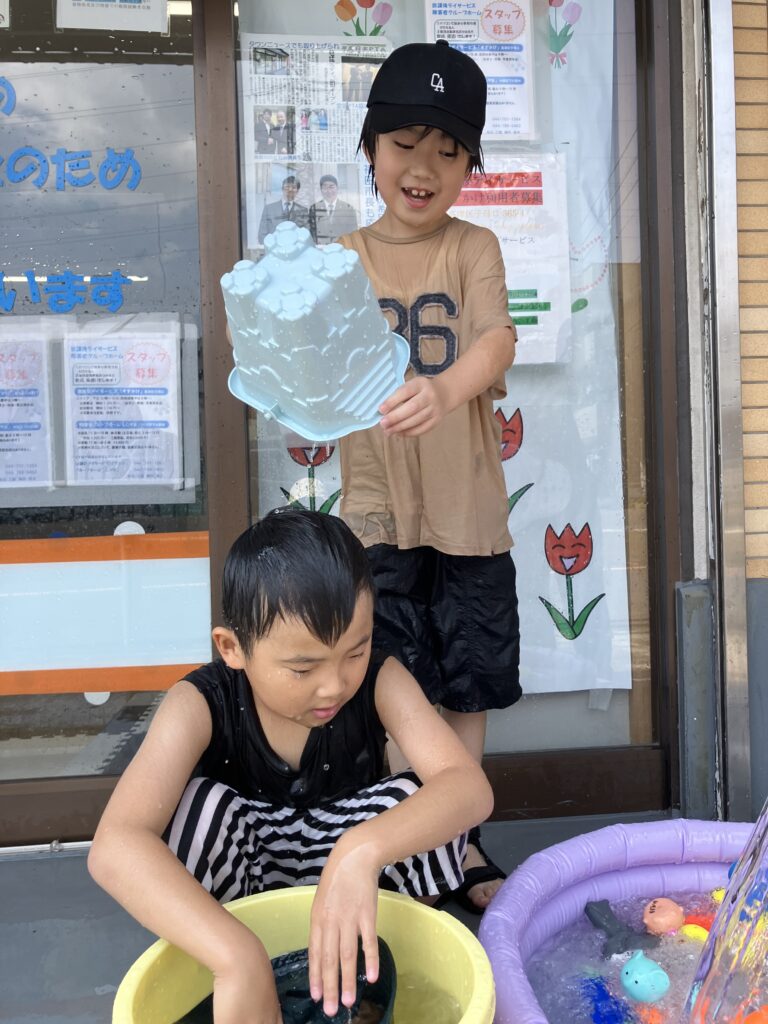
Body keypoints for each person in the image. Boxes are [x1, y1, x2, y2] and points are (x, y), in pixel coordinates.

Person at [89, 509, 492, 1023]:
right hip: (246, 896)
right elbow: (115, 845)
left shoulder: (381, 678)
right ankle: (235, 953)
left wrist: (359, 852)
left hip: (362, 891)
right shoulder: (201, 702)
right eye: (303, 667)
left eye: (355, 652)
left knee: (419, 799)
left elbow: (468, 787)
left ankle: (382, 958)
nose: (335, 685)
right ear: (233, 648)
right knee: (196, 810)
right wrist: (237, 956)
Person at [336, 40, 520, 914]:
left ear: (468, 168)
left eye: (449, 152)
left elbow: (497, 341)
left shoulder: (474, 245)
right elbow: (315, 371)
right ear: (371, 148)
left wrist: (444, 390)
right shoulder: (341, 259)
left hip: (468, 512)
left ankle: (461, 841)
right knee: (393, 679)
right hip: (377, 513)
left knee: (468, 680)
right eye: (406, 143)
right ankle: (402, 842)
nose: (424, 168)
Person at [257, 175, 310, 245]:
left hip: (295, 250)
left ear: (297, 191)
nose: (290, 189)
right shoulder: (269, 209)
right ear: (282, 189)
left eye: (294, 187)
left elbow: (306, 235)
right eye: (287, 186)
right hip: (273, 250)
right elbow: (262, 236)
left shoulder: (303, 211)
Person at [309, 174, 358, 246]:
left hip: (342, 248)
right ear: (321, 190)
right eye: (325, 187)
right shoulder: (314, 208)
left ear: (337, 188)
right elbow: (311, 232)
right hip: (321, 249)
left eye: (331, 187)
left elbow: (353, 232)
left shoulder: (348, 209)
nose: (328, 191)